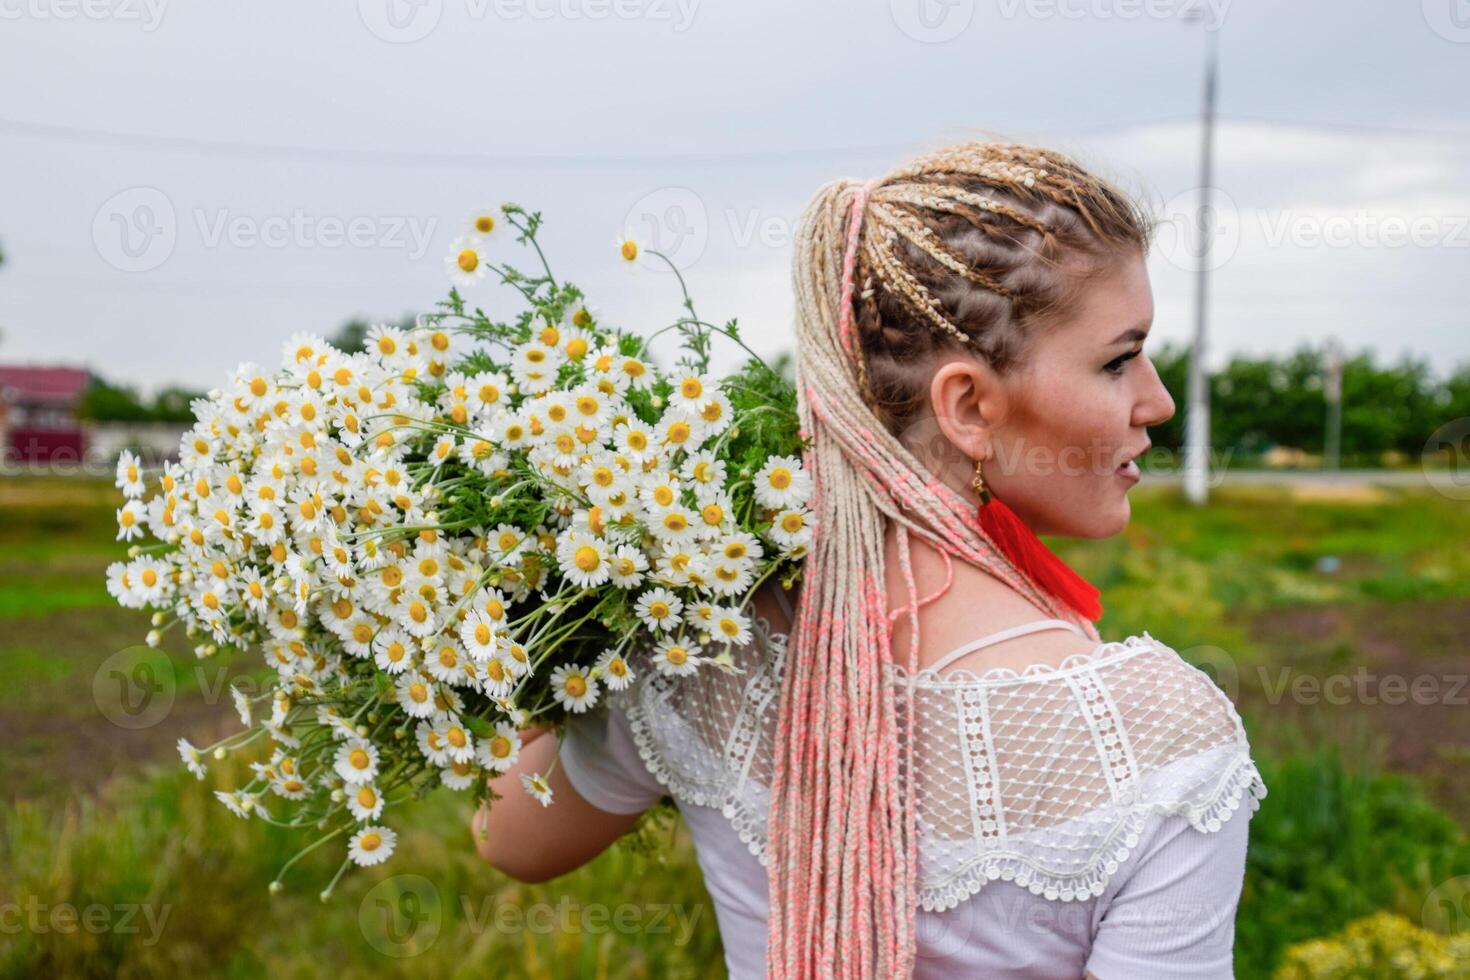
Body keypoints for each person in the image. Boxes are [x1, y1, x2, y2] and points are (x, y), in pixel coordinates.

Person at [471, 138, 1267, 979]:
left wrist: (546, 613)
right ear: (965, 404)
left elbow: (510, 838)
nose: (1158, 400)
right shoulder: (1161, 745)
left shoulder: (697, 643)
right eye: (1118, 358)